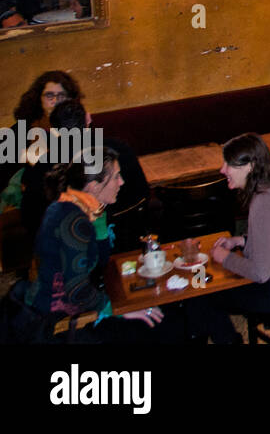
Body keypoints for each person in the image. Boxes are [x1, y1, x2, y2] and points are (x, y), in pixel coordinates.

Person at [9, 146, 180, 342]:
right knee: (165, 325)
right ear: (93, 186)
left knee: (160, 314)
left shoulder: (77, 207)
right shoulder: (73, 221)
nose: (121, 182)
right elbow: (77, 290)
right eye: (116, 176)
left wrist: (99, 221)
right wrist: (117, 310)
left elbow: (101, 261)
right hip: (60, 324)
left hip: (69, 308)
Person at [189, 133, 270, 344]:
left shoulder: (264, 202)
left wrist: (225, 258)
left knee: (200, 294)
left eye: (228, 164)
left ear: (249, 166)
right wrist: (240, 241)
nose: (222, 170)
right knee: (206, 292)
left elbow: (260, 273)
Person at [21, 97, 149, 242]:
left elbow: (30, 216)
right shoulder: (119, 149)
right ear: (88, 119)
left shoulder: (42, 166)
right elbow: (142, 195)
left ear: (54, 131)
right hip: (125, 236)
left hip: (68, 245)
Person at [3, 71, 84, 207]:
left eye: (61, 96)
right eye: (49, 95)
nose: (55, 101)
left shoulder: (74, 125)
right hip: (30, 198)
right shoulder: (23, 129)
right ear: (38, 98)